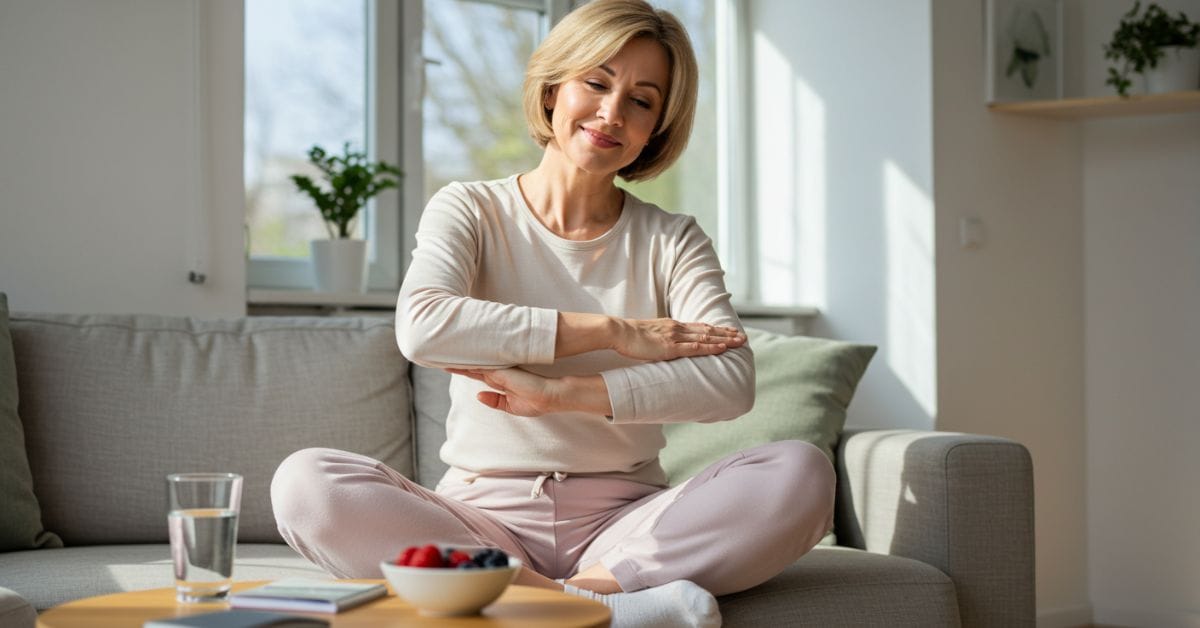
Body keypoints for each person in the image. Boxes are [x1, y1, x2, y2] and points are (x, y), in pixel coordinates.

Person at [271, 1, 834, 626]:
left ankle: (545, 599)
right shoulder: (470, 209)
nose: (612, 113)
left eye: (641, 101)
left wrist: (564, 393)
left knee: (801, 471)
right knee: (306, 484)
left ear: (658, 129)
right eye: (596, 83)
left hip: (628, 523)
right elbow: (424, 325)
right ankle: (603, 606)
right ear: (552, 89)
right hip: (481, 520)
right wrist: (617, 333)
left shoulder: (674, 239)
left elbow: (731, 381)